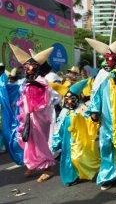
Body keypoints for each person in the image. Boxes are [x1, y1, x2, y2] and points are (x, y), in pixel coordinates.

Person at [85, 35, 116, 190]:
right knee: (106, 144)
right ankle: (108, 175)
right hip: (106, 116)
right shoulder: (101, 74)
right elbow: (95, 94)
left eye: (112, 57)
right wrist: (94, 110)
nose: (109, 60)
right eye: (107, 58)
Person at [9, 44, 60, 182]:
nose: (30, 70)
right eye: (27, 68)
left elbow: (47, 97)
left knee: (40, 141)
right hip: (26, 117)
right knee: (28, 141)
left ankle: (47, 168)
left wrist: (37, 87)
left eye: (33, 68)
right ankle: (32, 164)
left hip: (39, 117)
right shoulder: (25, 82)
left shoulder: (41, 81)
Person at [50, 79, 100, 186]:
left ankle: (86, 172)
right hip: (67, 141)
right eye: (67, 99)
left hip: (80, 140)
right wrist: (55, 143)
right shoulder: (64, 112)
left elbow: (90, 121)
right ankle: (72, 178)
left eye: (72, 99)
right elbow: (58, 128)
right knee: (68, 159)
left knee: (77, 157)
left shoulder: (82, 109)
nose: (69, 102)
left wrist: (94, 119)